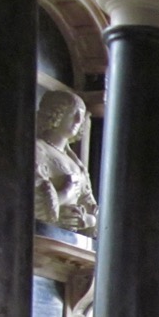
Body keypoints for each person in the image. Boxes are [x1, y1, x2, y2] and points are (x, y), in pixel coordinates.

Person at [34, 90, 98, 236]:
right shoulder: (37, 150)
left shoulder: (76, 164)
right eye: (73, 113)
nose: (78, 120)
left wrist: (86, 221)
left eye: (81, 117)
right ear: (57, 112)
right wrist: (66, 192)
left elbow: (91, 208)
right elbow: (35, 204)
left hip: (70, 241)